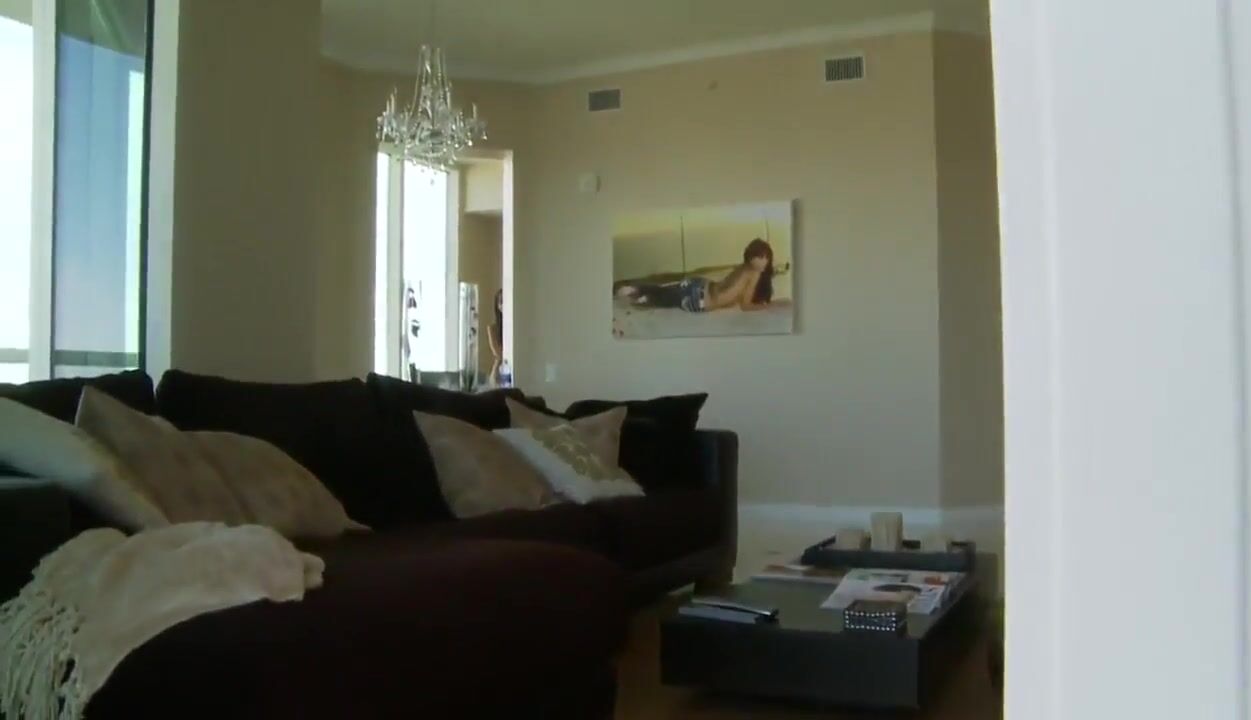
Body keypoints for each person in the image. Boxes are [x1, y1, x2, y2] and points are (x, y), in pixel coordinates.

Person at [616, 238, 775, 313]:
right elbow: (745, 306)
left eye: (764, 257)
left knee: (663, 293)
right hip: (700, 299)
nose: (763, 260)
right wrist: (767, 307)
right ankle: (635, 293)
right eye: (761, 256)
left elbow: (733, 295)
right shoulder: (753, 272)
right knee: (661, 299)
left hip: (700, 287)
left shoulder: (743, 268)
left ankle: (634, 290)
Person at [488, 289, 504, 384]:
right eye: (501, 302)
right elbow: (498, 353)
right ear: (497, 306)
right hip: (498, 370)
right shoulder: (492, 328)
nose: (504, 305)